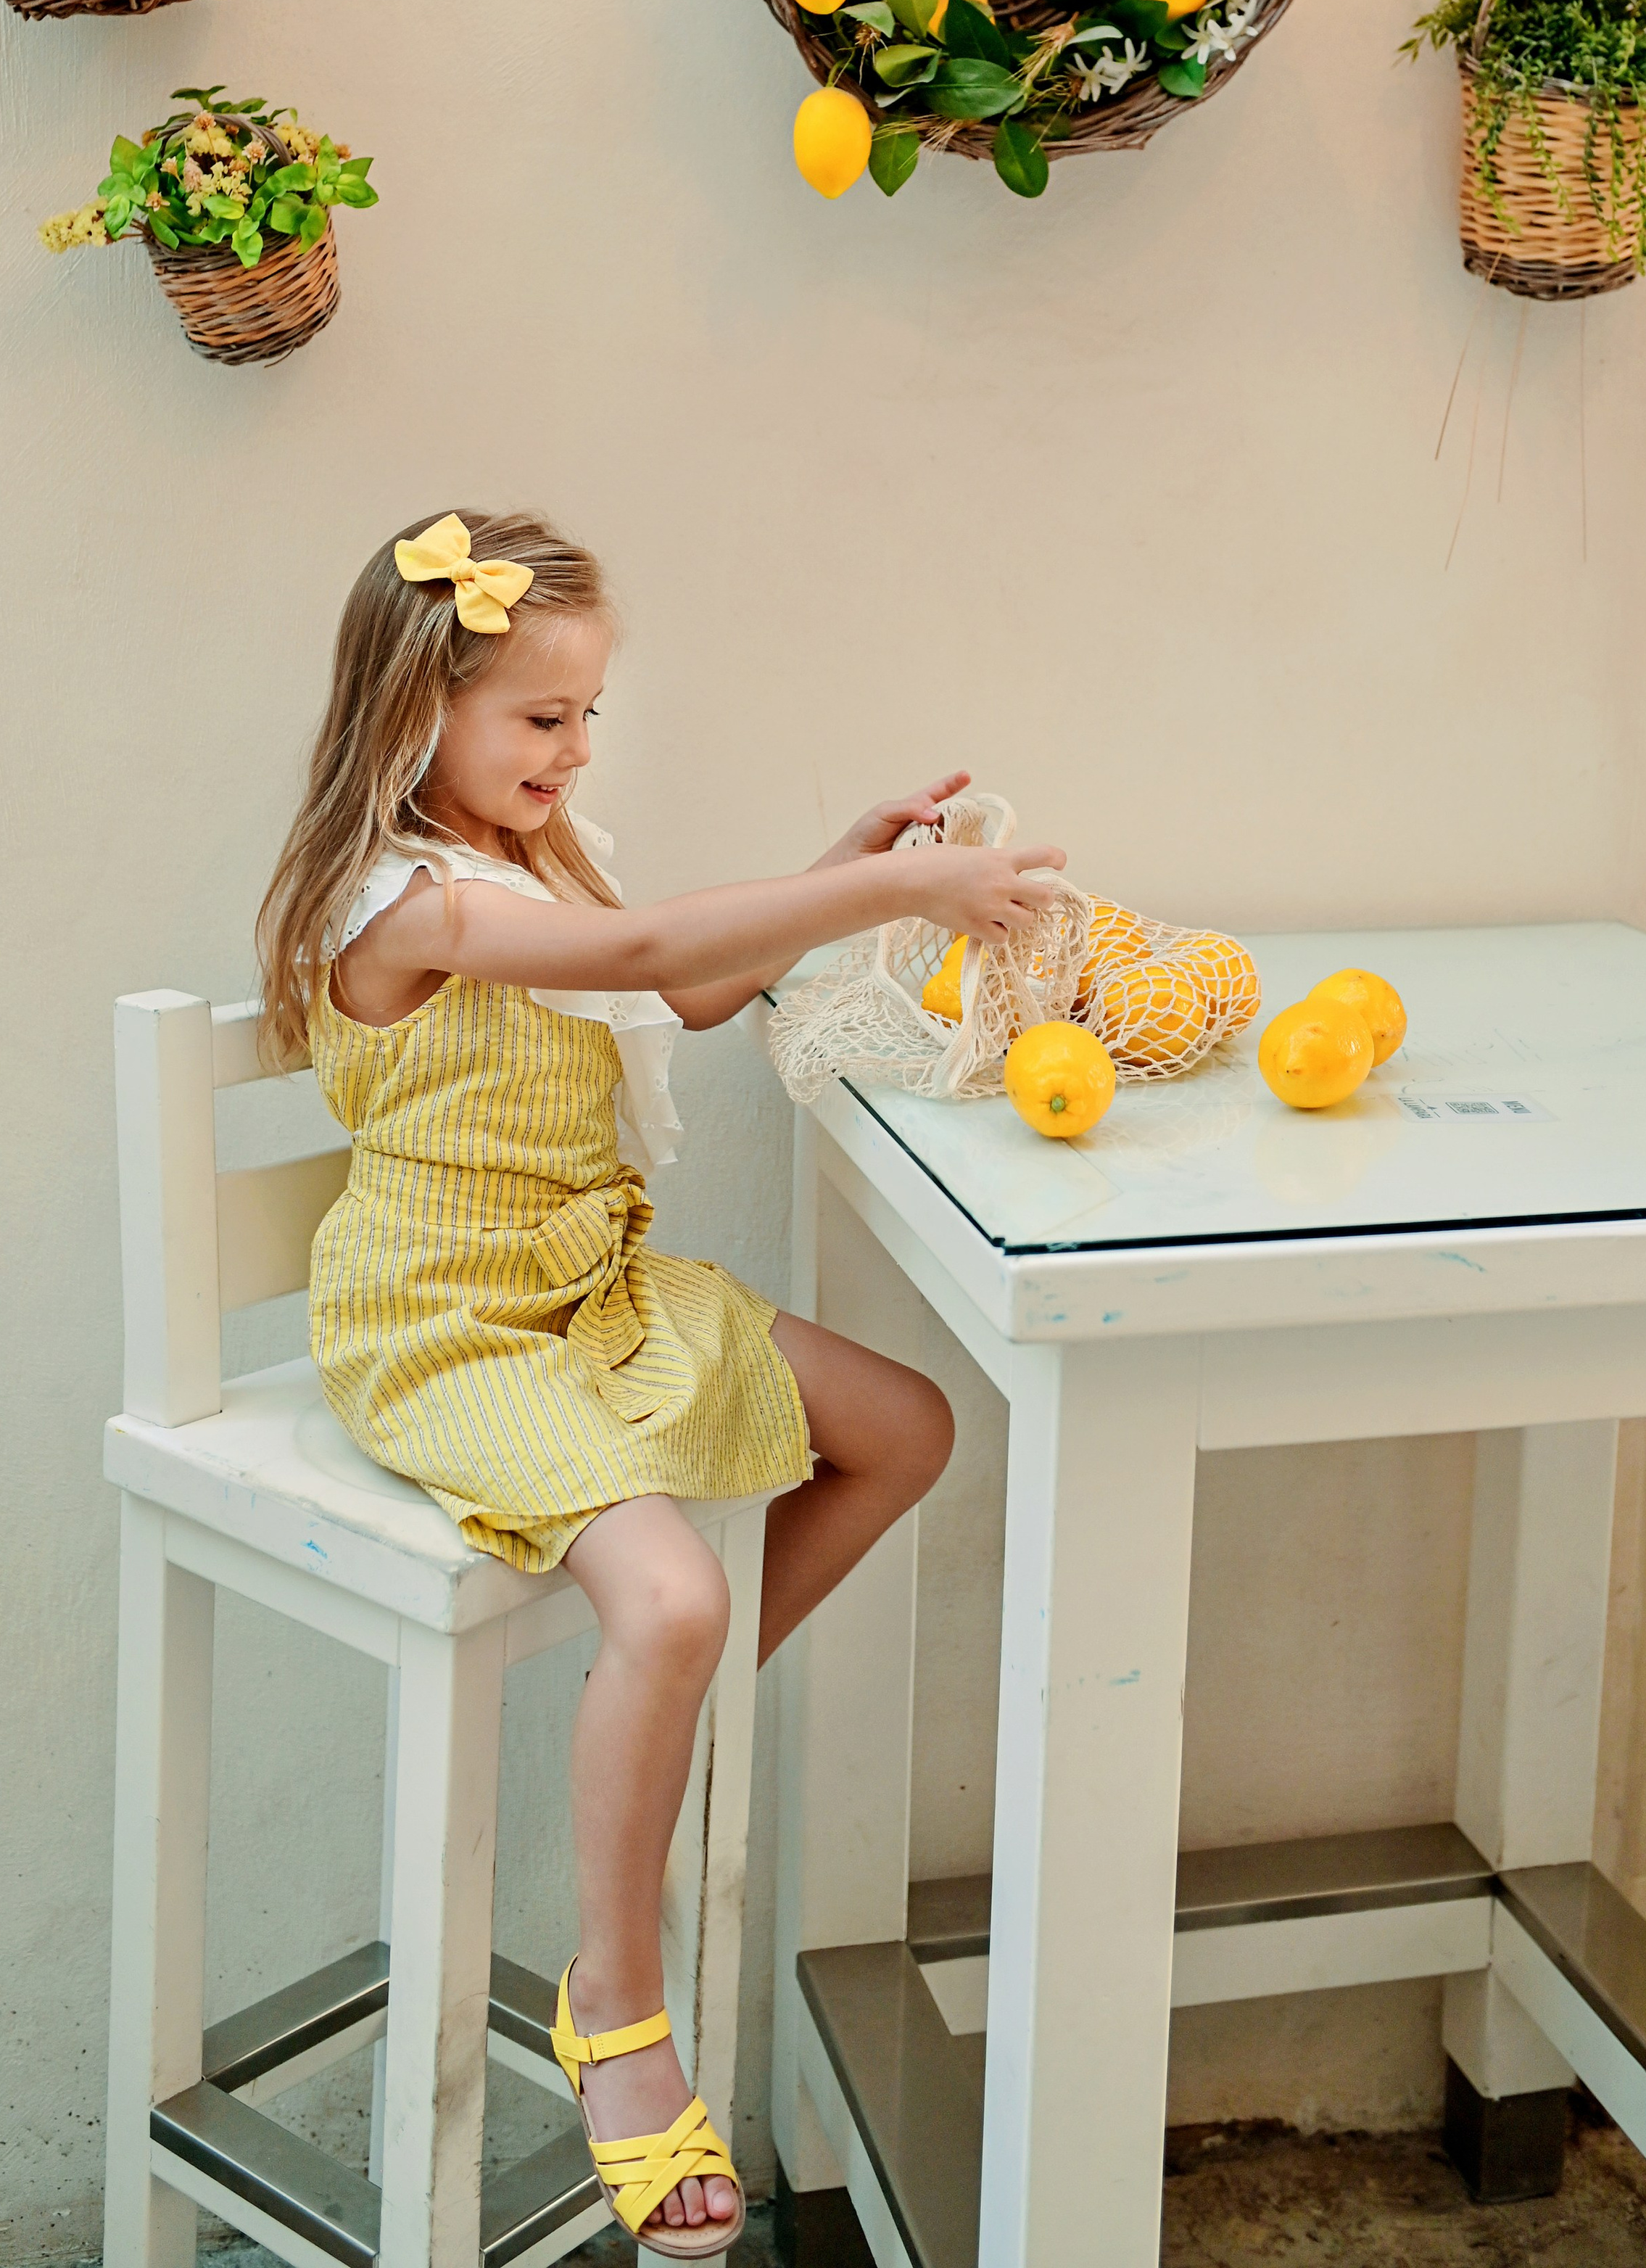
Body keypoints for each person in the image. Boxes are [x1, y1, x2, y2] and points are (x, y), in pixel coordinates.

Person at [256, 508, 1064, 2259]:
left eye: (587, 714)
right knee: (678, 1585)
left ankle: (652, 1720)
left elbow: (674, 992)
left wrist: (827, 864)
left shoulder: (547, 863)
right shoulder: (400, 895)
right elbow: (630, 965)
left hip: (590, 1283)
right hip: (448, 1316)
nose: (575, 750)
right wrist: (889, 889)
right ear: (417, 715)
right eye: (540, 720)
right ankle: (611, 1998)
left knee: (902, 1428)